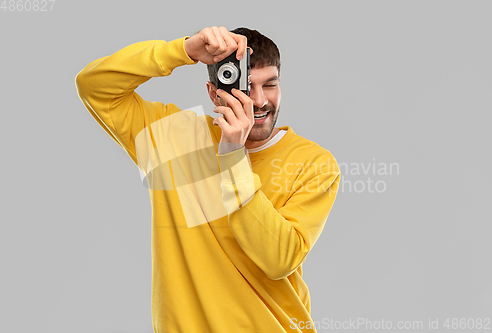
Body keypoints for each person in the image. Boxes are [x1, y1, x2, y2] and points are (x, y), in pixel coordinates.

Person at [76, 26, 341, 333]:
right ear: (214, 93)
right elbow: (93, 86)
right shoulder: (176, 139)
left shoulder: (315, 163)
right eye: (245, 86)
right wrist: (183, 50)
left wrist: (232, 157)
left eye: (270, 85)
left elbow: (279, 259)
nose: (258, 100)